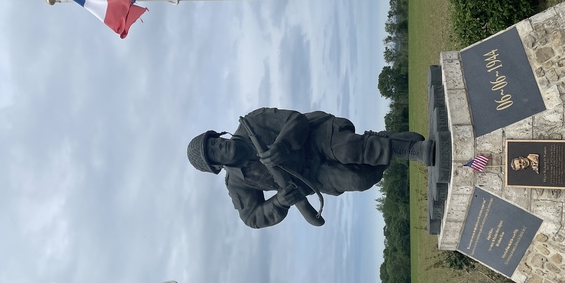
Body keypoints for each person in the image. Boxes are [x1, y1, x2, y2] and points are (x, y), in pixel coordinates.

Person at [186, 107, 436, 229]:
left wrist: (282, 145)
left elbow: (295, 119)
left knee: (349, 150)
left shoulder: (252, 122)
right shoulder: (237, 184)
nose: (220, 147)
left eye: (215, 142)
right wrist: (280, 203)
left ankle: (411, 150)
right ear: (217, 165)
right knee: (360, 180)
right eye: (214, 153)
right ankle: (385, 140)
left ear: (220, 135)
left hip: (315, 136)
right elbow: (251, 218)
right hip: (312, 177)